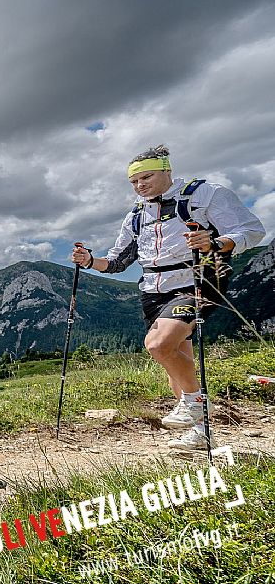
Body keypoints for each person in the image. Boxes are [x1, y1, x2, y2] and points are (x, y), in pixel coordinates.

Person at [71, 145, 265, 451]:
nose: (140, 186)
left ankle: (195, 403)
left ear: (166, 170)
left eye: (146, 177)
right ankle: (201, 432)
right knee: (177, 359)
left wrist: (216, 242)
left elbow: (252, 230)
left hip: (199, 278)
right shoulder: (136, 214)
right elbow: (118, 261)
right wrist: (89, 261)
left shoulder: (205, 195)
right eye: (134, 182)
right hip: (153, 289)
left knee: (158, 345)